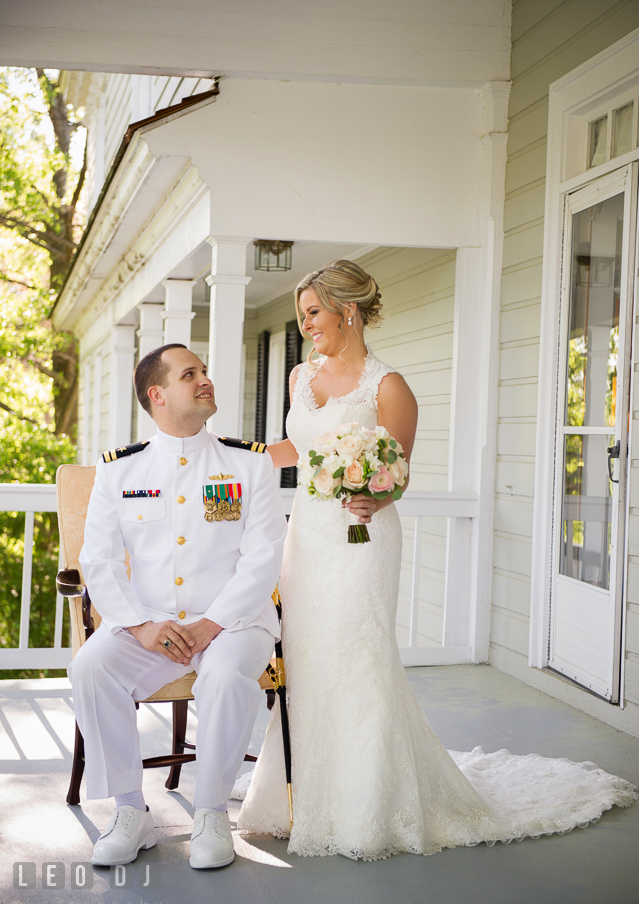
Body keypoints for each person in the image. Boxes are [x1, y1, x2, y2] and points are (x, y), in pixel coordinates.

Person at [238, 260, 636, 861]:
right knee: (307, 655)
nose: (305, 325)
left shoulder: (388, 385)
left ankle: (366, 805)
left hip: (362, 536)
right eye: (301, 316)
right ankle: (297, 794)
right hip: (309, 536)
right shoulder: (300, 375)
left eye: (312, 313)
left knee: (359, 656)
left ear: (347, 310)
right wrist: (237, 463)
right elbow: (299, 448)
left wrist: (375, 491)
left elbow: (397, 471)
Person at [68, 343, 287, 870]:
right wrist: (141, 626)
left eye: (205, 371)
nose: (205, 379)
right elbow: (97, 560)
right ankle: (129, 811)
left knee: (225, 674)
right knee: (90, 667)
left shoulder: (247, 464)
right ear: (158, 394)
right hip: (151, 624)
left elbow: (264, 557)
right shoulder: (121, 471)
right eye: (191, 374)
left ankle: (211, 813)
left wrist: (213, 624)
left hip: (234, 622)